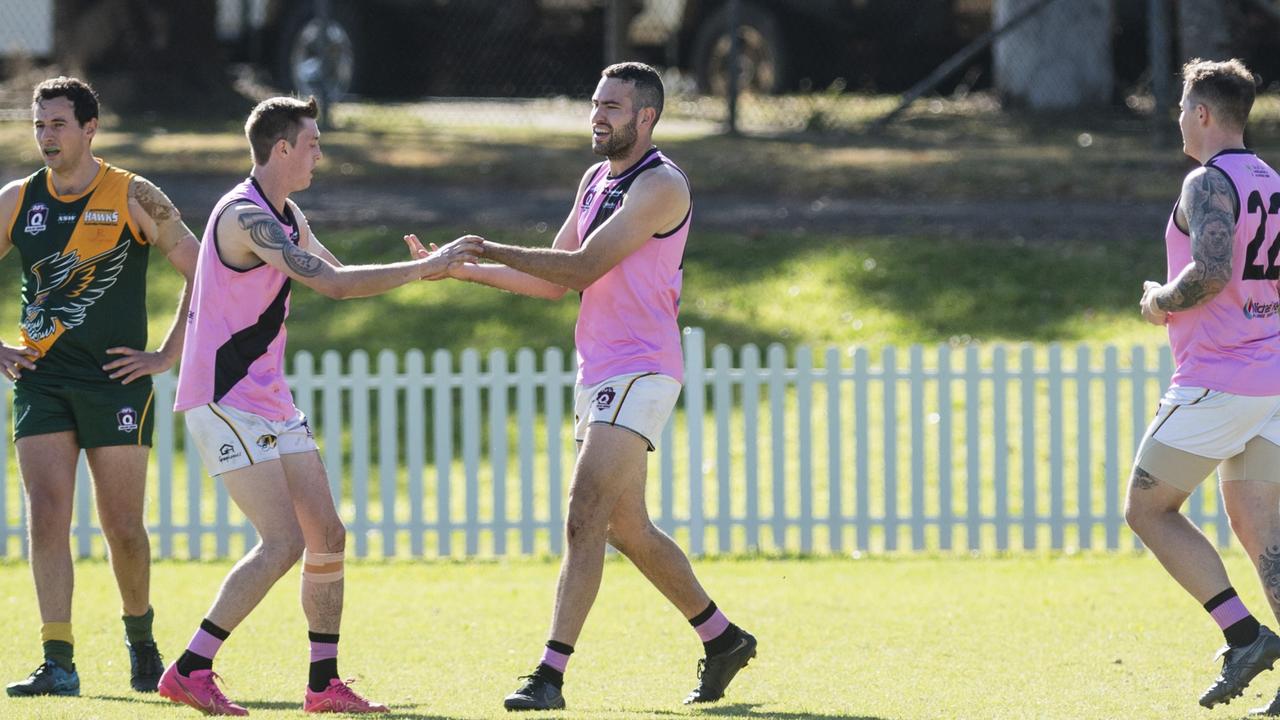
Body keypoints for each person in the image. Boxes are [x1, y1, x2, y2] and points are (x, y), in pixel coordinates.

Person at [420, 62, 755, 711]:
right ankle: (723, 639)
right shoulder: (596, 178)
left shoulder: (660, 185)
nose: (597, 116)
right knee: (627, 527)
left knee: (583, 514)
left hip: (642, 368)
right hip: (600, 372)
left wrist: (489, 247)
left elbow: (579, 268)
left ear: (646, 117)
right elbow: (553, 283)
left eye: (612, 107)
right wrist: (464, 272)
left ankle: (548, 675)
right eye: (595, 104)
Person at [157, 96, 479, 716]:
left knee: (327, 535)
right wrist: (424, 270)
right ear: (281, 149)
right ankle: (191, 668)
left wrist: (425, 271)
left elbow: (340, 274)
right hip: (224, 400)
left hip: (269, 400)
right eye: (312, 143)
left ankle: (323, 685)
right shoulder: (244, 218)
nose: (319, 153)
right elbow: (330, 283)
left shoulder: (287, 214)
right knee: (281, 542)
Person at [0, 76, 198, 698]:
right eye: (38, 125)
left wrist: (166, 355)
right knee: (48, 514)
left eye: (58, 124)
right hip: (42, 380)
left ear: (90, 129)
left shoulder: (135, 195)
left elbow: (204, 271)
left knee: (122, 528)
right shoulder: (16, 199)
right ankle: (57, 659)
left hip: (115, 385)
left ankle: (141, 641)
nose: (46, 136)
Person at [1128, 57, 1280, 713]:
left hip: (1219, 380)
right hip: (1273, 380)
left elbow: (1211, 269)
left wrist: (1160, 300)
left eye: (1183, 107)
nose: (1180, 119)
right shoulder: (1272, 182)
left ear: (1203, 113)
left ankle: (1243, 635)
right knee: (1262, 533)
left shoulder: (1207, 181)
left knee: (1146, 509)